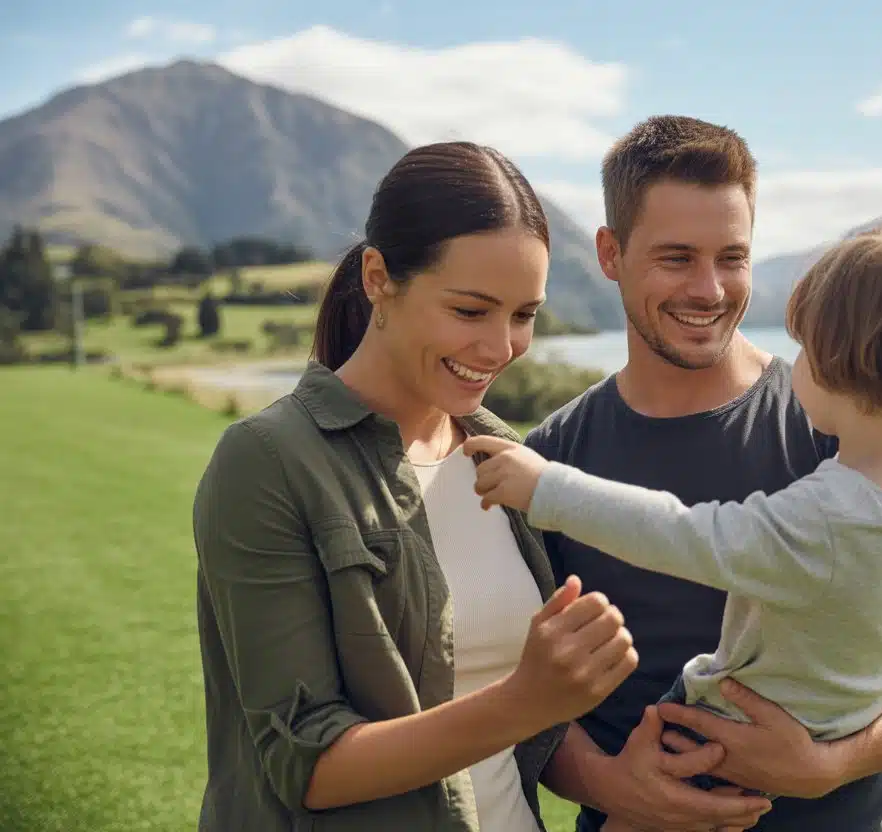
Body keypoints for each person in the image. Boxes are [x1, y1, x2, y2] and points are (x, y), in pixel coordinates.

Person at [497, 116, 882, 832]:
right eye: (677, 258)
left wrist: (831, 764)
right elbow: (515, 693)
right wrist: (613, 788)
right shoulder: (551, 453)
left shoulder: (854, 422)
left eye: (732, 257)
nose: (709, 289)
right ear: (611, 253)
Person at [191, 141, 638, 832]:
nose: (500, 348)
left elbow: (509, 722)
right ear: (379, 277)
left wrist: (626, 781)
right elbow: (307, 764)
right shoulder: (266, 461)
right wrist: (529, 699)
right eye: (469, 311)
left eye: (523, 316)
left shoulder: (506, 458)